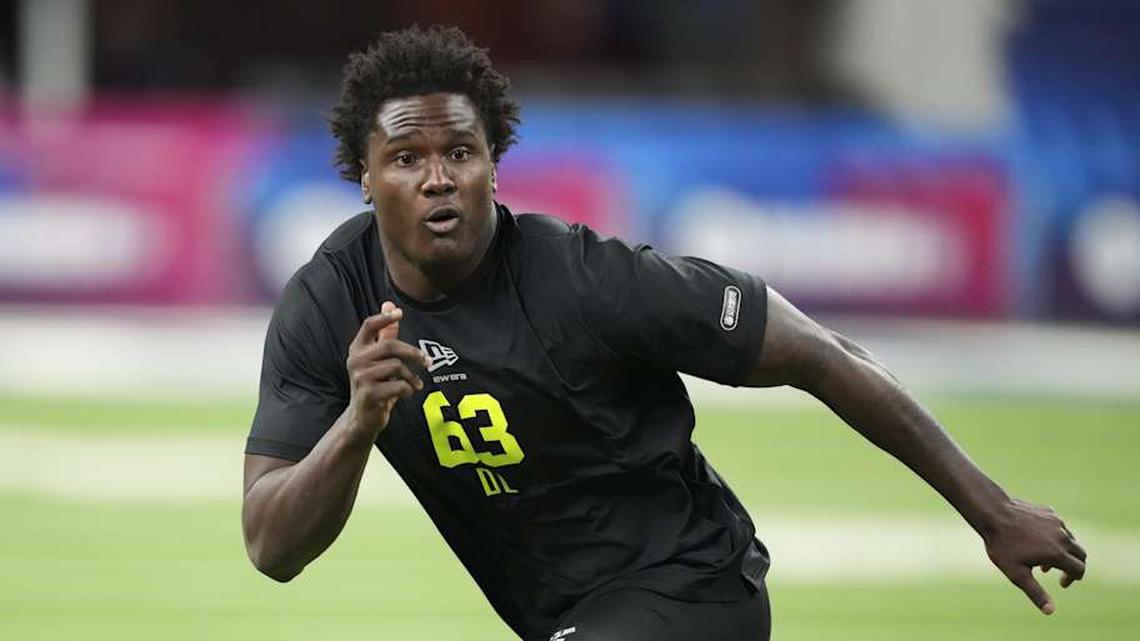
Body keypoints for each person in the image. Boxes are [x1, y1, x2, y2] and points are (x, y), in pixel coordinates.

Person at [241, 25, 1086, 641]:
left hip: (692, 588)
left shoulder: (588, 280)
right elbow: (271, 546)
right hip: (565, 615)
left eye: (460, 152)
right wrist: (357, 425)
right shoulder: (329, 305)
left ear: (495, 162)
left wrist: (993, 509)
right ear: (362, 178)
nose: (437, 179)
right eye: (406, 158)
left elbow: (819, 354)